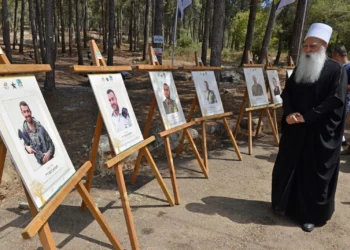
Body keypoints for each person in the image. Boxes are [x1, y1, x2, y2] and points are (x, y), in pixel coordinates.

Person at [271, 23, 348, 232]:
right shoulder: (300, 67)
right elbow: (287, 93)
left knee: (313, 175)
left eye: (312, 46)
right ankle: (283, 204)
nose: (307, 50)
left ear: (324, 45)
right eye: (305, 46)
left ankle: (310, 216)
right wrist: (289, 114)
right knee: (288, 167)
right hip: (295, 129)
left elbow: (335, 100)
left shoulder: (336, 70)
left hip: (318, 133)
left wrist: (307, 117)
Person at [332, 45, 350, 154]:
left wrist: (339, 87)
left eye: (333, 56)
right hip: (339, 101)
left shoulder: (348, 67)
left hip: (346, 101)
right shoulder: (342, 67)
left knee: (341, 125)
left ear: (337, 55)